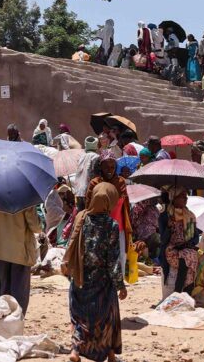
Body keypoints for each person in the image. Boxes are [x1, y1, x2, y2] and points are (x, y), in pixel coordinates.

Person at [63, 182, 126, 362]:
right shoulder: (111, 225)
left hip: (81, 277)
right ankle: (110, 354)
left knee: (79, 316)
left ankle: (75, 351)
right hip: (102, 280)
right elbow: (113, 259)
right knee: (106, 318)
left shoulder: (82, 218)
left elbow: (72, 244)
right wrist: (121, 285)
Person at [0, 202, 39, 314]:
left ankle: (5, 319)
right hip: (19, 251)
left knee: (4, 288)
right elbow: (36, 227)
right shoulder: (25, 197)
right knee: (19, 291)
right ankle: (16, 320)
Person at [86, 151, 133, 274]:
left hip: (119, 228)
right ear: (100, 166)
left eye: (112, 167)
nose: (109, 170)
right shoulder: (94, 183)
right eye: (106, 166)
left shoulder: (121, 182)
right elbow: (88, 207)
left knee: (119, 258)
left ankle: (117, 288)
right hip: (99, 228)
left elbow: (126, 207)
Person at [159, 186, 198, 295]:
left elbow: (196, 237)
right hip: (171, 249)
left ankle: (187, 292)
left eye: (186, 197)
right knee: (186, 256)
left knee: (189, 255)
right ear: (173, 198)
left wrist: (188, 244)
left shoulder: (190, 216)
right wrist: (169, 227)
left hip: (186, 248)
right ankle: (178, 291)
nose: (185, 199)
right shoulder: (165, 216)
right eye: (182, 196)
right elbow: (163, 240)